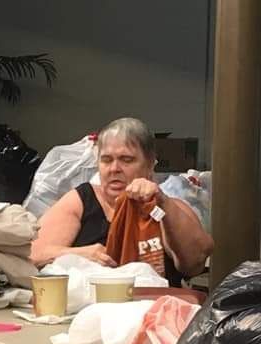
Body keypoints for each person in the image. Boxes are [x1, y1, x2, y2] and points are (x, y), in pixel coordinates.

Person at [31, 118, 213, 284]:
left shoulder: (168, 207)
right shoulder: (80, 201)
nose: (114, 169)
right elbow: (33, 254)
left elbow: (194, 263)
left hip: (152, 310)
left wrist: (162, 202)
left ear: (149, 164)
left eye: (127, 160)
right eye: (106, 160)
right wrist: (80, 254)